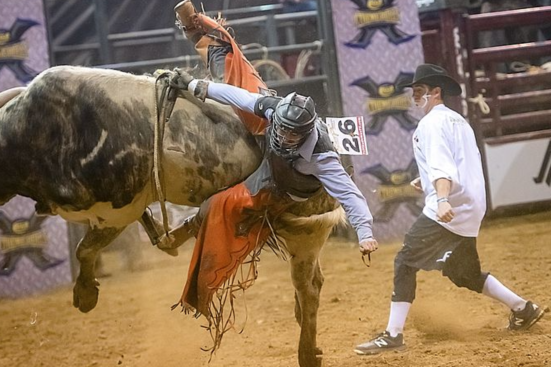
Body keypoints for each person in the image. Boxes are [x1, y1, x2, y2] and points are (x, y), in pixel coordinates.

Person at [162, 0, 379, 325]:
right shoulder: (274, 109)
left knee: (222, 206)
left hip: (284, 186)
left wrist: (364, 233)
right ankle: (198, 30)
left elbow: (349, 194)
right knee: (233, 74)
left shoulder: (322, 155)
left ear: (305, 134)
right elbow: (236, 96)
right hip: (267, 145)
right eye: (285, 131)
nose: (287, 137)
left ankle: (196, 232)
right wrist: (194, 86)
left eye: (294, 136)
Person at [354, 64, 546, 355]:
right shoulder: (457, 120)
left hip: (450, 206)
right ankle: (524, 308)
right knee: (464, 273)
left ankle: (393, 334)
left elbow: (444, 167)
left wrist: (441, 198)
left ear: (435, 92)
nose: (415, 97)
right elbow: (458, 161)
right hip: (470, 205)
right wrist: (429, 181)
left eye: (419, 92)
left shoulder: (430, 125)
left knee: (405, 261)